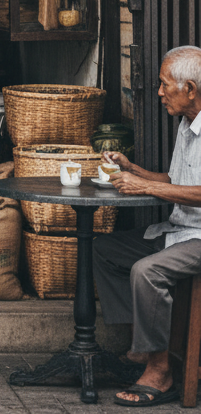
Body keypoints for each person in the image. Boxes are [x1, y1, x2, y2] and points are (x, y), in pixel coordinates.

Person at [94, 45, 201, 407]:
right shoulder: (187, 124)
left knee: (147, 271)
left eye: (164, 84)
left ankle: (161, 370)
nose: (158, 92)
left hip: (199, 237)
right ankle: (142, 349)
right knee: (104, 249)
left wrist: (145, 187)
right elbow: (175, 180)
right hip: (179, 228)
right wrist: (132, 169)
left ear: (190, 89)